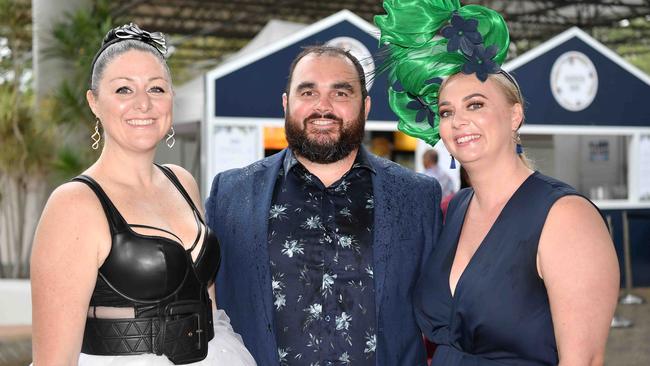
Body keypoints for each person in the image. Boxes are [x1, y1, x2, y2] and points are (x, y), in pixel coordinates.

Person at [376, 1, 620, 365]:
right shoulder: (457, 207)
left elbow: (583, 360)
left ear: (514, 114)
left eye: (475, 105)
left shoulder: (566, 217)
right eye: (446, 111)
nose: (459, 121)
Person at [30, 24, 255, 365]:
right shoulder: (75, 204)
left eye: (156, 88)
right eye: (123, 89)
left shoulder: (183, 182)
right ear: (94, 102)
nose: (143, 104)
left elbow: (206, 300)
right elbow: (54, 360)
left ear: (171, 99)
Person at [205, 45, 442, 366]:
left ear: (366, 106)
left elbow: (444, 317)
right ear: (286, 103)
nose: (323, 106)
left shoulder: (417, 197)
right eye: (308, 92)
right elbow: (208, 309)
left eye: (341, 93)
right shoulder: (231, 194)